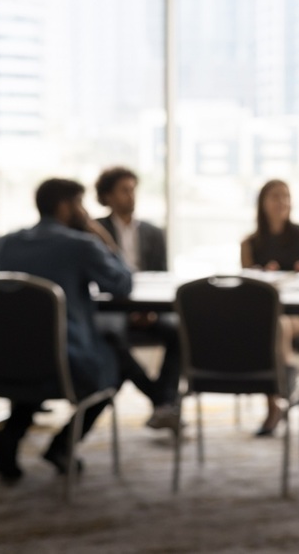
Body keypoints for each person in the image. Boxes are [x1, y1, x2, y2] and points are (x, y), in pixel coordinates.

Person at [0, 178, 133, 484]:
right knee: (114, 368)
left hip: (6, 358)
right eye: (81, 204)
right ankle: (62, 446)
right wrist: (104, 239)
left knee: (34, 358)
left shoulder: (7, 242)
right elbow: (122, 284)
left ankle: (10, 436)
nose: (85, 211)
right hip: (66, 361)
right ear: (66, 206)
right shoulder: (81, 245)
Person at [239, 179, 299, 437]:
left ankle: (279, 395)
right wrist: (262, 274)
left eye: (286, 196)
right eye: (275, 196)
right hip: (268, 312)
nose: (282, 202)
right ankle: (283, 392)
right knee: (266, 327)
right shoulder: (249, 243)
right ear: (262, 203)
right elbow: (248, 282)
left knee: (275, 328)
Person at [93, 167, 182, 431]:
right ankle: (162, 401)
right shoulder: (96, 231)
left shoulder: (153, 232)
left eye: (133, 190)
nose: (131, 196)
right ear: (107, 196)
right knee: (111, 337)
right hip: (111, 306)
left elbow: (162, 276)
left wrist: (149, 309)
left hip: (150, 304)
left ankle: (163, 402)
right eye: (124, 191)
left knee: (179, 331)